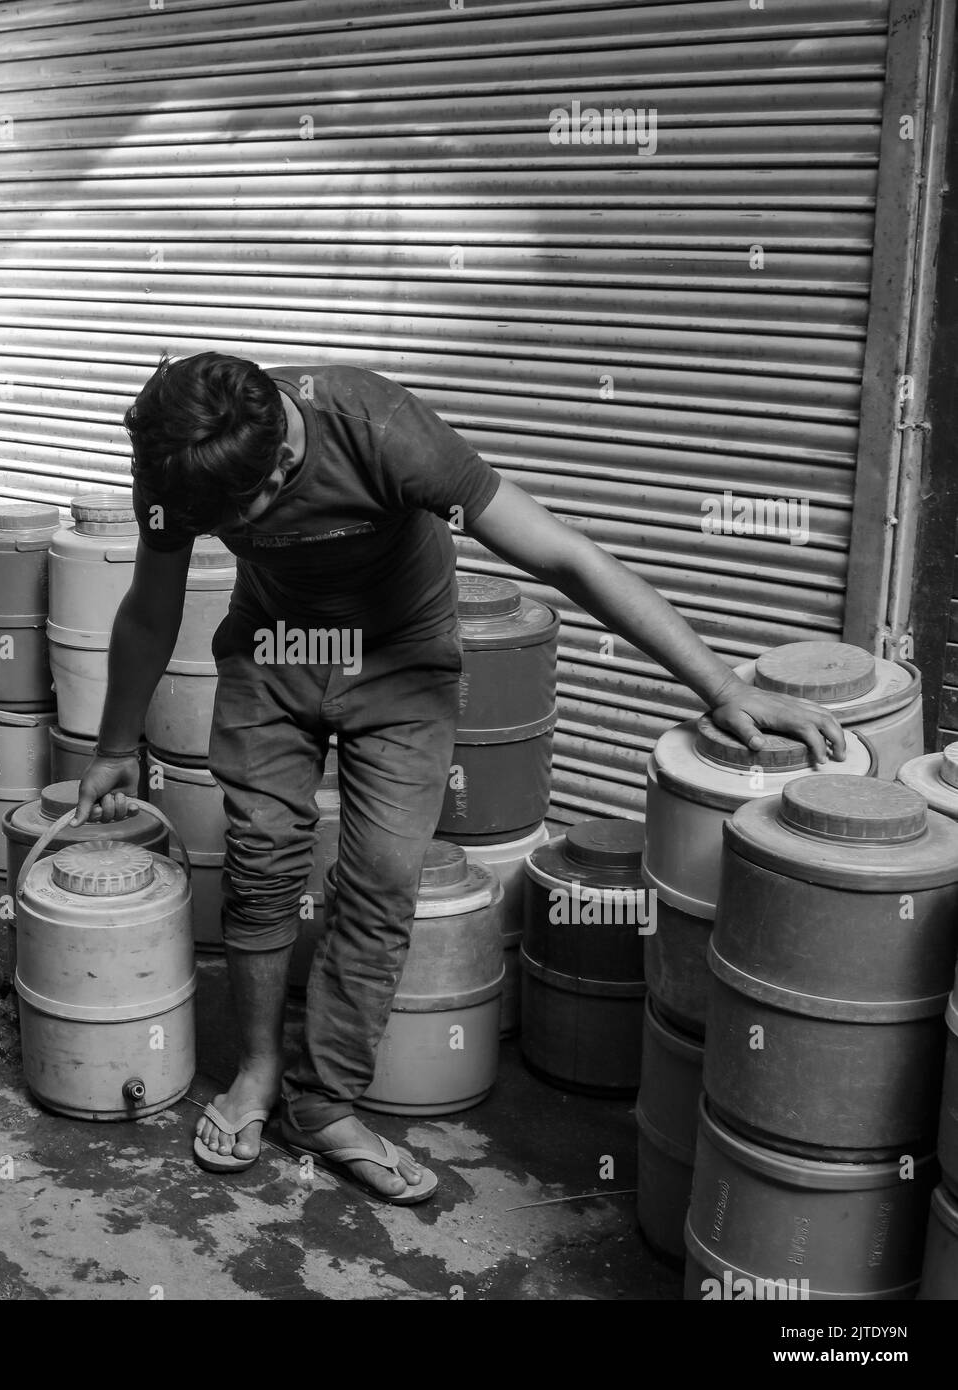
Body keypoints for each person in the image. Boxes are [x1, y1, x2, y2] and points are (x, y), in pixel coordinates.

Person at [72, 352, 845, 1205]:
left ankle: (322, 1104)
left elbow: (568, 559)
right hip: (278, 651)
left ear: (283, 464)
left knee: (380, 883)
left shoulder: (383, 431)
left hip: (400, 661)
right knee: (259, 865)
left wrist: (726, 686)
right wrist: (113, 742)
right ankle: (256, 1075)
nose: (234, 531)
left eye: (243, 515)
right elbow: (151, 604)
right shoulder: (178, 463)